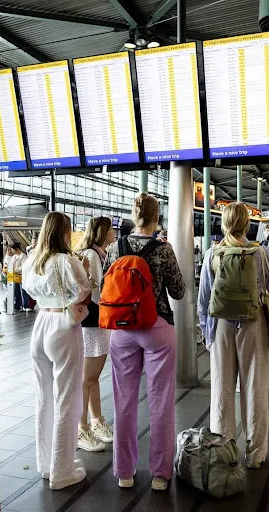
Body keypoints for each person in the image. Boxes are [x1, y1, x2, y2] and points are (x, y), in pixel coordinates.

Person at [104, 193, 185, 491]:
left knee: (123, 400)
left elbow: (105, 285)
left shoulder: (115, 247)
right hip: (156, 326)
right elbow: (178, 291)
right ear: (157, 217)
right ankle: (160, 475)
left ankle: (124, 472)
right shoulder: (163, 250)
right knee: (161, 401)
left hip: (122, 329)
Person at [197, 202, 269, 469]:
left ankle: (223, 451)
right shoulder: (261, 254)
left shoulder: (213, 254)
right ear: (247, 224)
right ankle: (255, 454)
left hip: (221, 326)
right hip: (253, 325)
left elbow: (204, 300)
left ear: (223, 223)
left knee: (221, 389)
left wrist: (208, 335)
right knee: (255, 387)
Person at [22, 212, 92, 491]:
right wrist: (85, 270)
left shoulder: (32, 261)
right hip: (63, 325)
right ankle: (63, 470)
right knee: (67, 398)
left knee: (44, 398)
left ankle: (46, 464)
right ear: (63, 232)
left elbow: (28, 290)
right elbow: (85, 291)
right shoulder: (67, 260)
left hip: (40, 325)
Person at [75, 217, 116, 452]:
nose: (113, 232)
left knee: (92, 377)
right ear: (101, 231)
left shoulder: (99, 253)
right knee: (87, 378)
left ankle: (96, 420)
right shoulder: (91, 255)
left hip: (97, 321)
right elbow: (93, 290)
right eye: (110, 228)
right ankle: (82, 428)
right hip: (92, 321)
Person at [11, 243, 31, 312]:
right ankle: (17, 305)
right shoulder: (14, 257)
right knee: (16, 292)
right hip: (15, 276)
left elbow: (24, 266)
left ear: (17, 249)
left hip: (22, 276)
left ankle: (26, 306)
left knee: (23, 291)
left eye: (14, 250)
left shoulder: (24, 256)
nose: (13, 251)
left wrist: (15, 269)